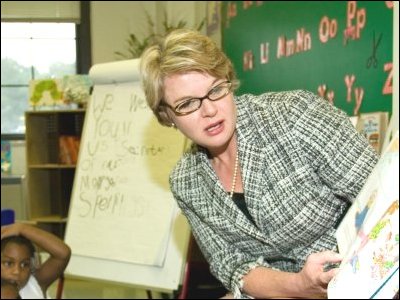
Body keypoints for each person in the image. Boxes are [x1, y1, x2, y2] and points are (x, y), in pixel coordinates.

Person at [140, 29, 378, 298]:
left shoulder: (293, 115)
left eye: (216, 90)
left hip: (365, 273)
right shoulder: (186, 182)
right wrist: (299, 286)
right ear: (167, 115)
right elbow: (234, 267)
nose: (209, 111)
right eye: (187, 104)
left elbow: (382, 194)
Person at [1, 223, 71, 299]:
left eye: (25, 265)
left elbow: (63, 254)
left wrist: (22, 228)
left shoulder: (35, 283)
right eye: (8, 263)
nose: (17, 271)